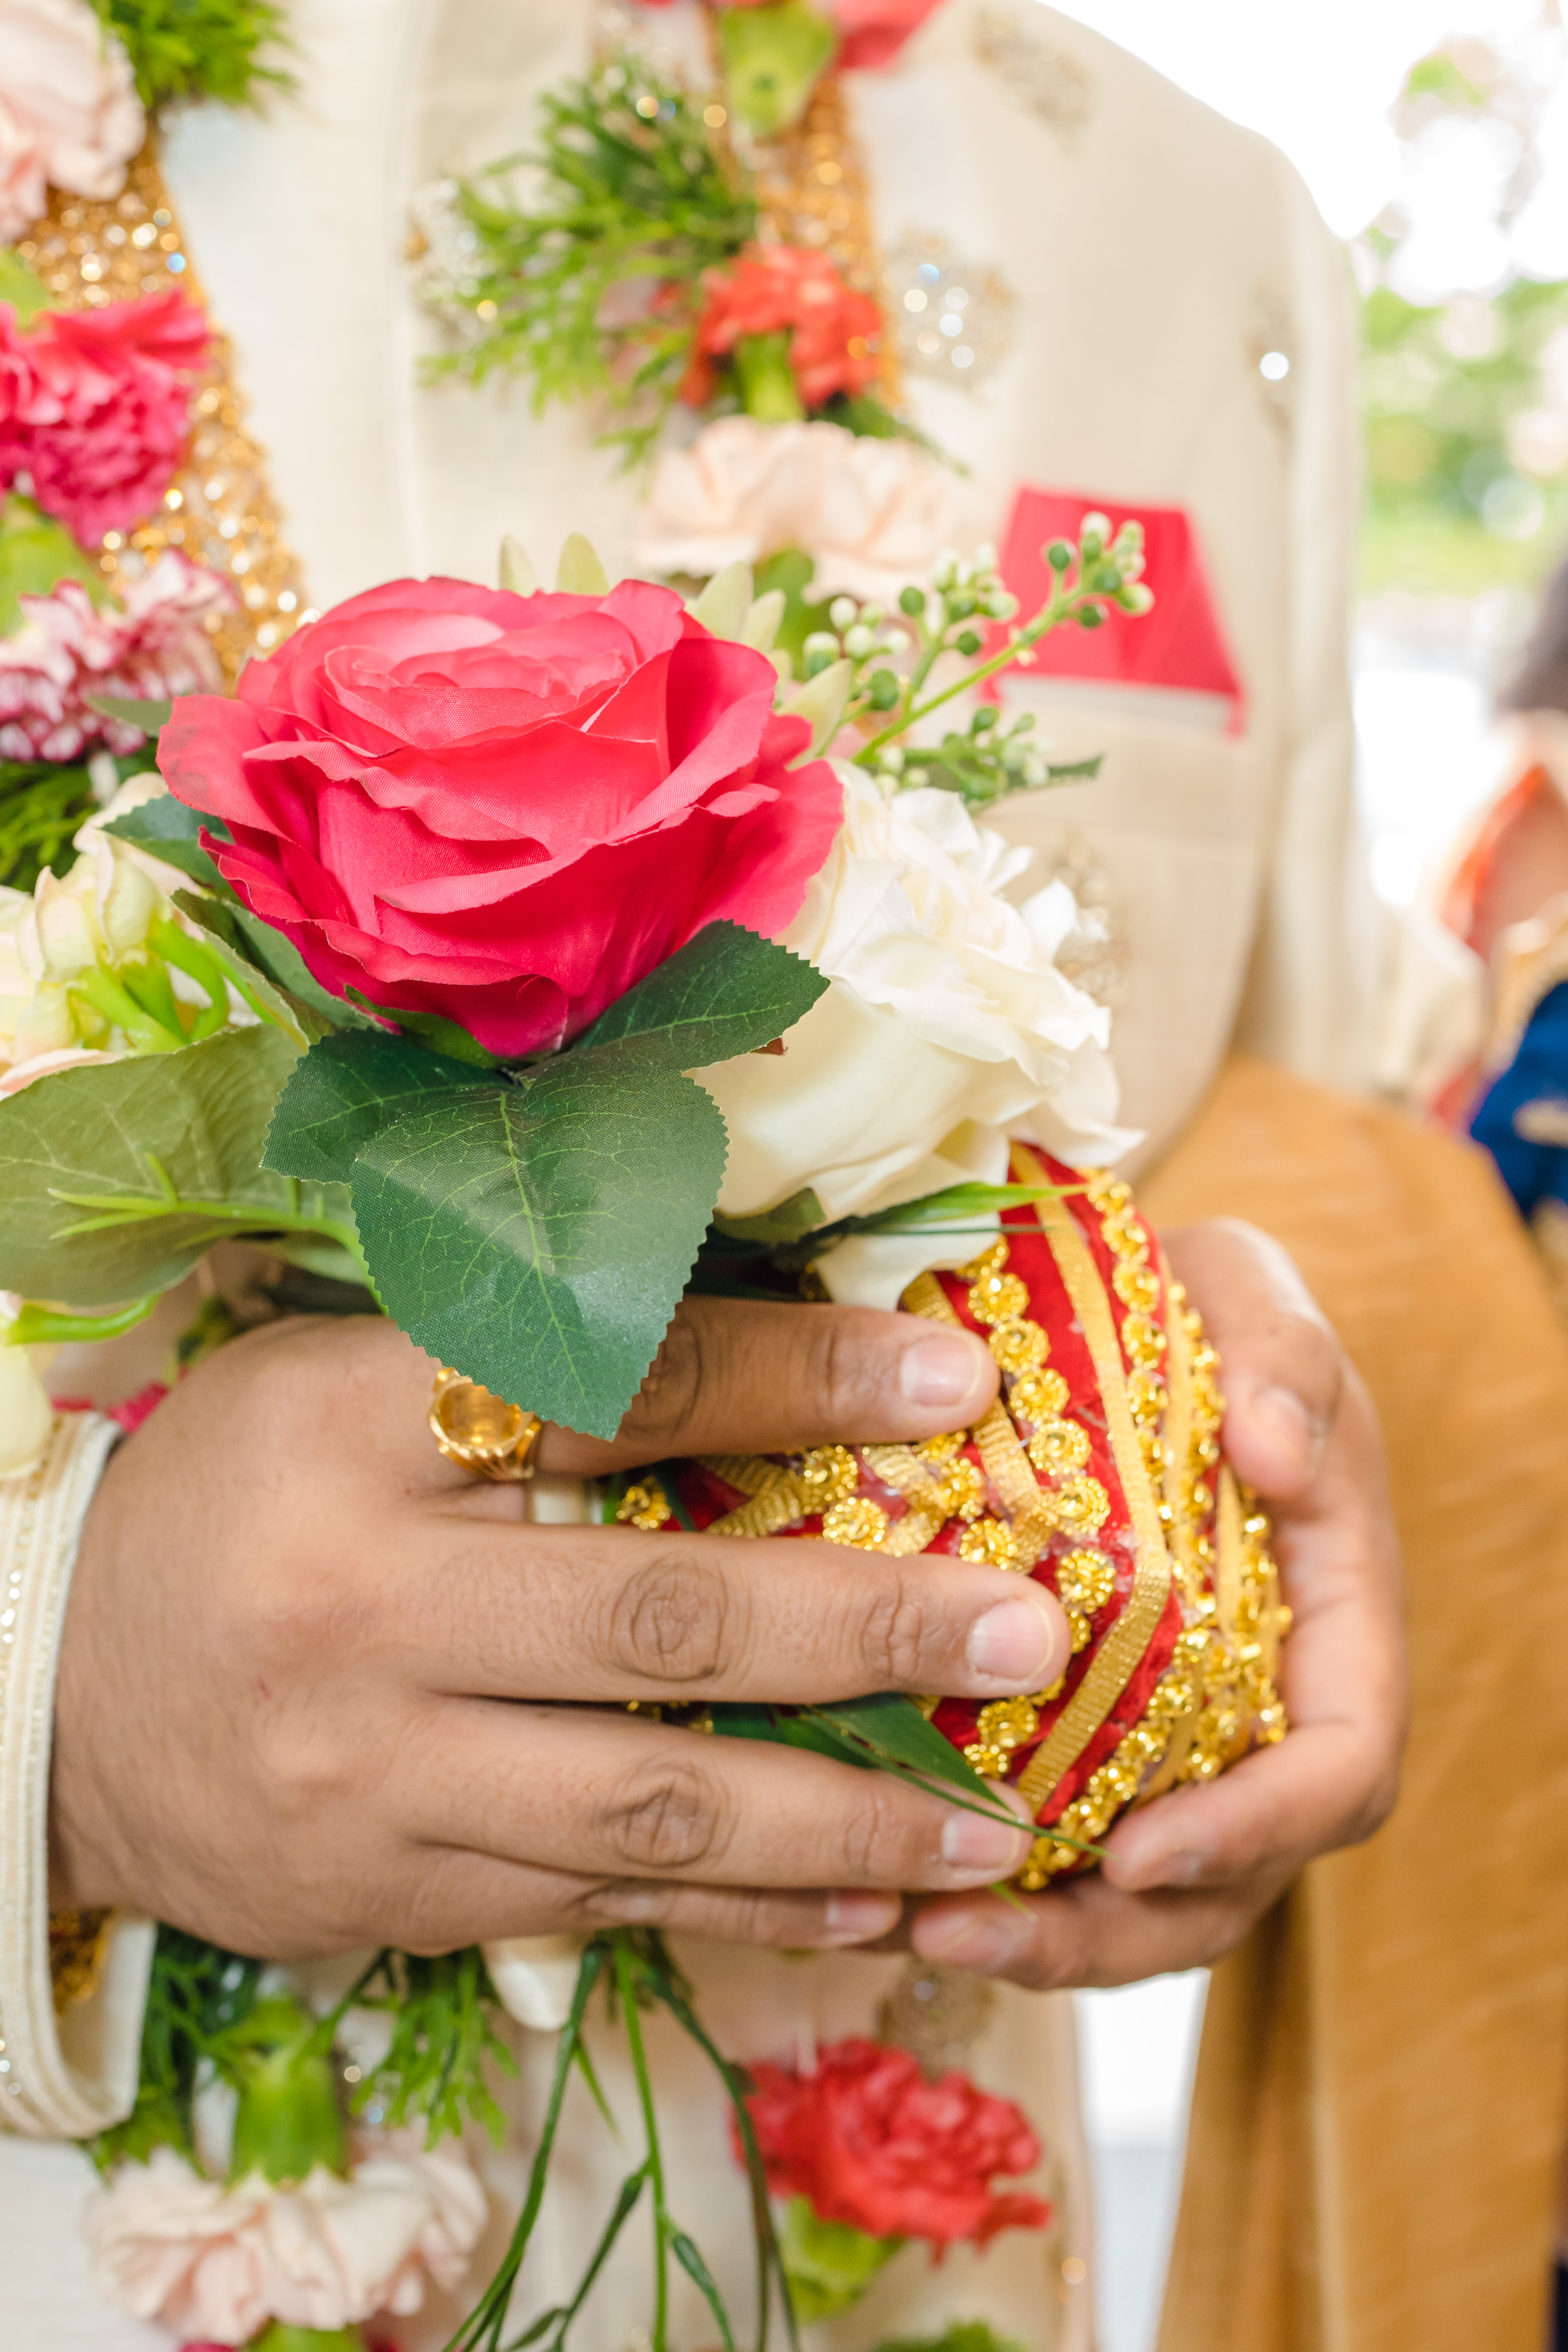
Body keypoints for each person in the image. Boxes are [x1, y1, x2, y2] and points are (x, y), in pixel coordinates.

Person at [0, 6, 1560, 2351]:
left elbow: (1276, 1114)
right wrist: (60, 1719)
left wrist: (1250, 1488)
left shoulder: (1187, 218)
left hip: (916, 2224)